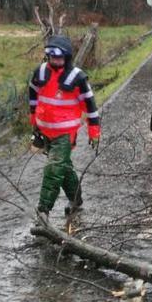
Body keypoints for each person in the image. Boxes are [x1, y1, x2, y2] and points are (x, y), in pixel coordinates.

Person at [28, 35, 101, 220]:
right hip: (45, 132)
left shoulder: (77, 78)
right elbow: (33, 96)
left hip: (65, 134)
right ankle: (76, 200)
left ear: (67, 57)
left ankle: (43, 211)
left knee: (54, 168)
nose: (56, 60)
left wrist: (94, 132)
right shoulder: (41, 72)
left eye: (60, 56)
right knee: (65, 167)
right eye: (52, 55)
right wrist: (34, 122)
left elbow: (90, 106)